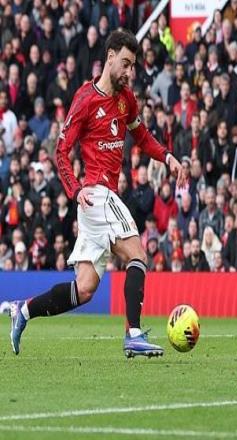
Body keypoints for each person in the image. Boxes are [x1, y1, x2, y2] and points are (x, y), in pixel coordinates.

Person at [9, 30, 184, 358]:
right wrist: (75, 190)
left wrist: (167, 157)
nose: (130, 72)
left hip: (98, 200)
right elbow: (61, 150)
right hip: (96, 194)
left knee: (85, 288)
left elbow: (142, 136)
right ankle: (133, 334)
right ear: (110, 57)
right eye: (126, 64)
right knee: (138, 254)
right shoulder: (85, 99)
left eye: (133, 66)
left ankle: (25, 310)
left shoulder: (126, 98)